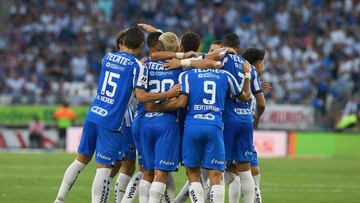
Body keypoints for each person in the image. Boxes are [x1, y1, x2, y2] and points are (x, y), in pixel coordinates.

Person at [54, 26, 181, 203]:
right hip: (111, 121)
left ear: (123, 42)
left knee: (81, 160)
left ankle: (59, 200)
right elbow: (142, 96)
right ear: (141, 44)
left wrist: (129, 32)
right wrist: (169, 93)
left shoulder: (108, 57)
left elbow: (122, 46)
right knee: (104, 170)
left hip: (94, 114)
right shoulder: (138, 66)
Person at [145, 61, 252, 202]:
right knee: (215, 174)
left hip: (192, 126)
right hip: (214, 126)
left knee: (193, 173)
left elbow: (181, 102)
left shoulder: (187, 75)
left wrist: (157, 107)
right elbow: (245, 97)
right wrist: (247, 75)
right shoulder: (225, 75)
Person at [138, 32, 183, 203]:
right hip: (167, 122)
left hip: (146, 121)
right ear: (177, 48)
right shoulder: (180, 67)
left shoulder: (145, 64)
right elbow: (181, 102)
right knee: (161, 173)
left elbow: (139, 95)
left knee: (146, 171)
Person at [221, 33, 264, 203]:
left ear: (223, 46)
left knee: (214, 168)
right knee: (244, 170)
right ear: (239, 48)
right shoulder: (250, 67)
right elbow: (262, 103)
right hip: (245, 121)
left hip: (226, 120)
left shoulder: (221, 61)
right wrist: (256, 119)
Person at [242, 47, 268, 203]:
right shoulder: (247, 77)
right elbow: (261, 105)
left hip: (243, 128)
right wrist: (256, 119)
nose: (263, 66)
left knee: (252, 170)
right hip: (239, 126)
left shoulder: (251, 79)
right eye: (263, 63)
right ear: (257, 63)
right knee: (237, 173)